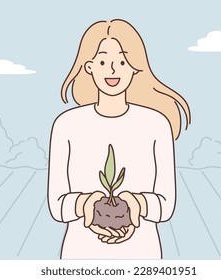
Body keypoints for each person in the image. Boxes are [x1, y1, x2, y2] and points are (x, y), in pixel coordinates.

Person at [47, 19, 191, 259]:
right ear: (89, 66)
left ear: (135, 67)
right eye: (103, 61)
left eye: (122, 61)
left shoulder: (156, 124)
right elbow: (57, 206)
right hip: (80, 256)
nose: (112, 70)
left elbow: (165, 206)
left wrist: (136, 206)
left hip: (142, 257)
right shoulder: (66, 125)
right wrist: (87, 206)